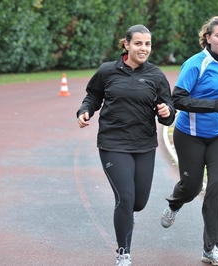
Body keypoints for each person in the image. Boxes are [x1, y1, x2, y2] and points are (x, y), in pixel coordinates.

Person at [76, 24, 175, 266]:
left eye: (148, 44)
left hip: (143, 144)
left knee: (138, 203)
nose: (144, 48)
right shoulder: (107, 71)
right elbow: (93, 96)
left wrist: (165, 111)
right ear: (126, 45)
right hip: (113, 142)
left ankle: (128, 216)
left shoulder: (156, 76)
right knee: (125, 198)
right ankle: (123, 252)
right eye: (138, 43)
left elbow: (169, 114)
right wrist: (85, 111)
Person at [160, 15, 218, 266]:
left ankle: (211, 248)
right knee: (191, 186)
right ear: (208, 38)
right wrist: (211, 105)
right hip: (191, 135)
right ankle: (175, 204)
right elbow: (177, 99)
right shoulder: (195, 64)